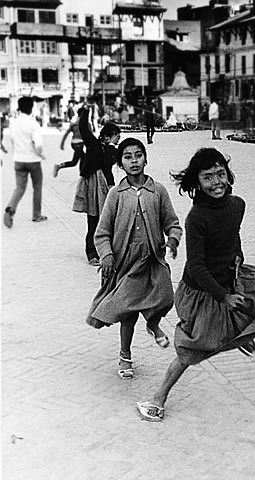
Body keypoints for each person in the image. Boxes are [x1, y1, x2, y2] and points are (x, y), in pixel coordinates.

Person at [137, 147, 255, 421]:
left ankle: (239, 335)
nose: (216, 182)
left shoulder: (238, 205)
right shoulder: (197, 217)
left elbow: (233, 237)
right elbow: (196, 266)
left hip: (230, 278)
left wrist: (238, 266)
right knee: (192, 349)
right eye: (208, 177)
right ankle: (158, 398)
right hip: (201, 291)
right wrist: (223, 297)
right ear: (197, 183)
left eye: (220, 174)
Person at [86, 137, 182, 379]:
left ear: (146, 158)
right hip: (126, 262)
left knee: (165, 296)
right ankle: (125, 356)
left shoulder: (157, 191)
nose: (134, 161)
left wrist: (172, 240)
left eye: (138, 155)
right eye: (127, 157)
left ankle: (152, 324)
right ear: (120, 164)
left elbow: (172, 223)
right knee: (128, 313)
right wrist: (106, 255)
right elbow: (102, 232)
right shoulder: (115, 194)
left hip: (152, 259)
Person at [72, 98, 121, 266]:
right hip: (92, 186)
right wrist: (86, 110)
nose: (118, 139)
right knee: (93, 220)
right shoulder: (93, 145)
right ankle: (91, 252)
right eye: (116, 137)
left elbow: (113, 164)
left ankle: (107, 251)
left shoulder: (113, 151)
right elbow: (83, 128)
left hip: (106, 187)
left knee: (108, 220)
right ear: (107, 136)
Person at [4, 96, 47, 228]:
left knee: (20, 188)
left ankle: (11, 208)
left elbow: (12, 141)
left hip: (18, 160)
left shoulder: (13, 122)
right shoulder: (33, 124)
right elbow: (38, 144)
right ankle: (36, 214)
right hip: (33, 160)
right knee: (37, 187)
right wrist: (41, 154)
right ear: (31, 108)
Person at [53, 107, 86, 178]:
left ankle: (82, 174)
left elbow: (66, 133)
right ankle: (59, 166)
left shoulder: (74, 123)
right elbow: (91, 135)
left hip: (73, 143)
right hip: (79, 144)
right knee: (74, 162)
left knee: (83, 157)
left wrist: (62, 143)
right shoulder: (86, 123)